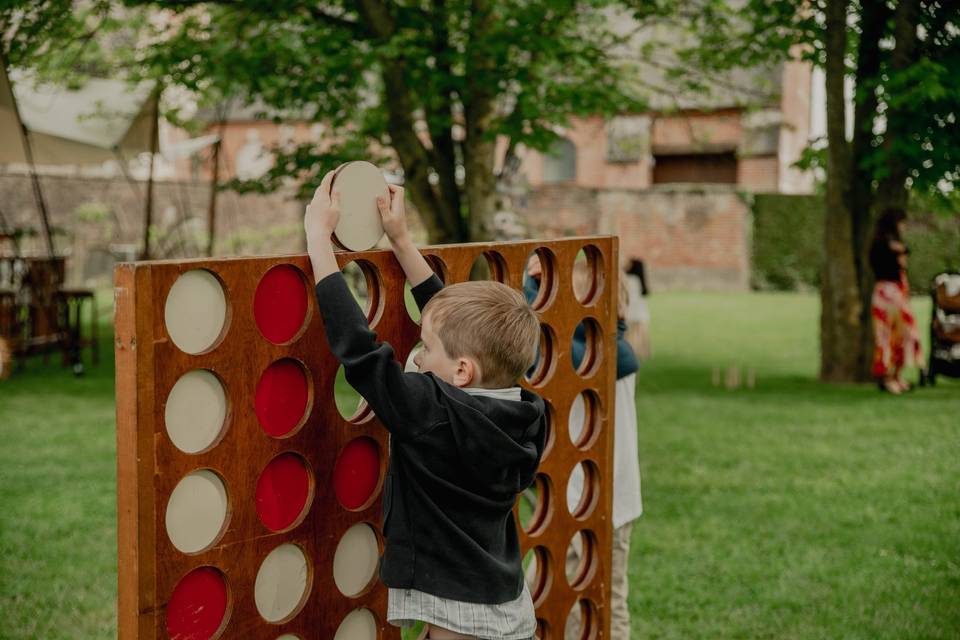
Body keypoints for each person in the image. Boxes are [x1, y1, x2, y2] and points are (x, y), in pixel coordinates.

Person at [304, 171, 546, 640]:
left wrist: (319, 243)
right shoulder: (526, 411)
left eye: (424, 347)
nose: (416, 353)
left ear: (461, 371)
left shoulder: (430, 411)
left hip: (457, 615)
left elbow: (360, 351)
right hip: (505, 602)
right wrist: (401, 241)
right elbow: (460, 331)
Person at [524, 258, 642, 640]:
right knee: (556, 599)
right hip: (586, 500)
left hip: (595, 505)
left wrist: (530, 287)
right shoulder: (607, 345)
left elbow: (549, 344)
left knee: (600, 605)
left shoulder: (604, 355)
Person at [869, 206, 923, 394]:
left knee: (903, 335)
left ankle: (896, 376)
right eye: (901, 222)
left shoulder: (889, 243)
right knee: (888, 336)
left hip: (893, 293)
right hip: (888, 294)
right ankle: (887, 378)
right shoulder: (885, 244)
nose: (904, 226)